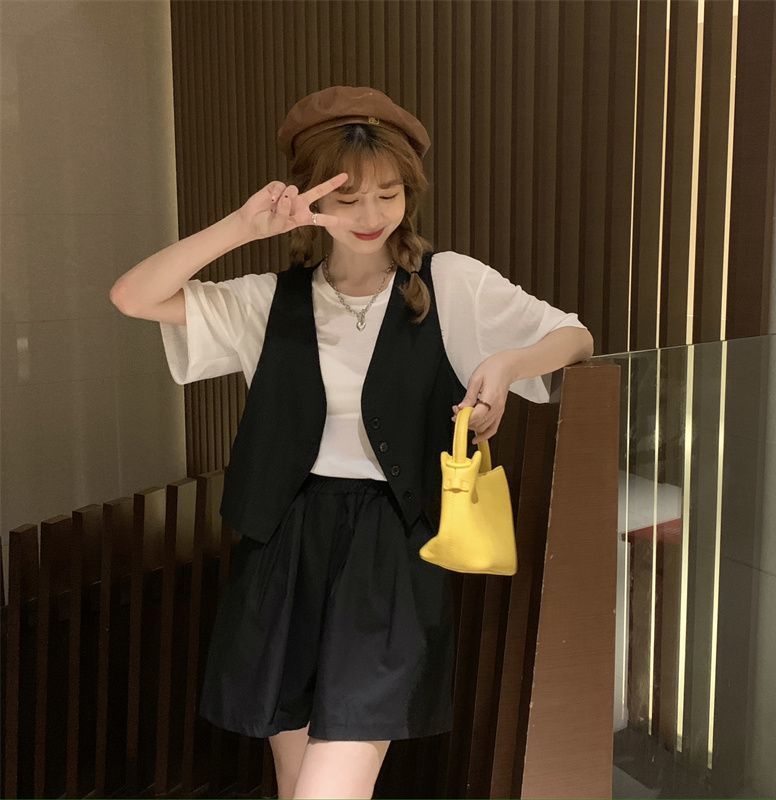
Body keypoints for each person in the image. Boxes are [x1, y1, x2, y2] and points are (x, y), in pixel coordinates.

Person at [109, 85, 594, 799]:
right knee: (295, 781)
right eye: (347, 198)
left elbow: (574, 337)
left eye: (388, 194)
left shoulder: (450, 283)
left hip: (391, 553)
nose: (370, 216)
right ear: (311, 198)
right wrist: (240, 228)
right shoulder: (268, 299)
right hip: (284, 545)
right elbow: (133, 296)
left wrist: (507, 363)